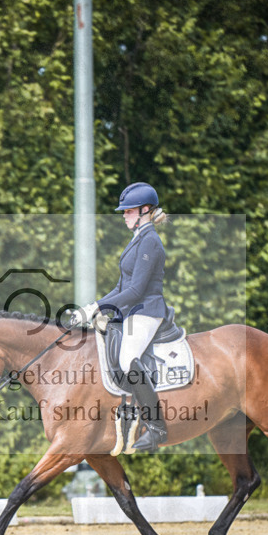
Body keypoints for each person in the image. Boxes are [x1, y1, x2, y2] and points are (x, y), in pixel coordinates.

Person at [70, 181, 172, 451]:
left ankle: (156, 427)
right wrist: (95, 306)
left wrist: (97, 307)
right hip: (132, 309)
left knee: (128, 359)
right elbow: (121, 286)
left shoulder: (150, 241)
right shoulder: (137, 239)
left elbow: (137, 290)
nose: (124, 215)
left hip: (147, 311)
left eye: (128, 211)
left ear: (145, 210)